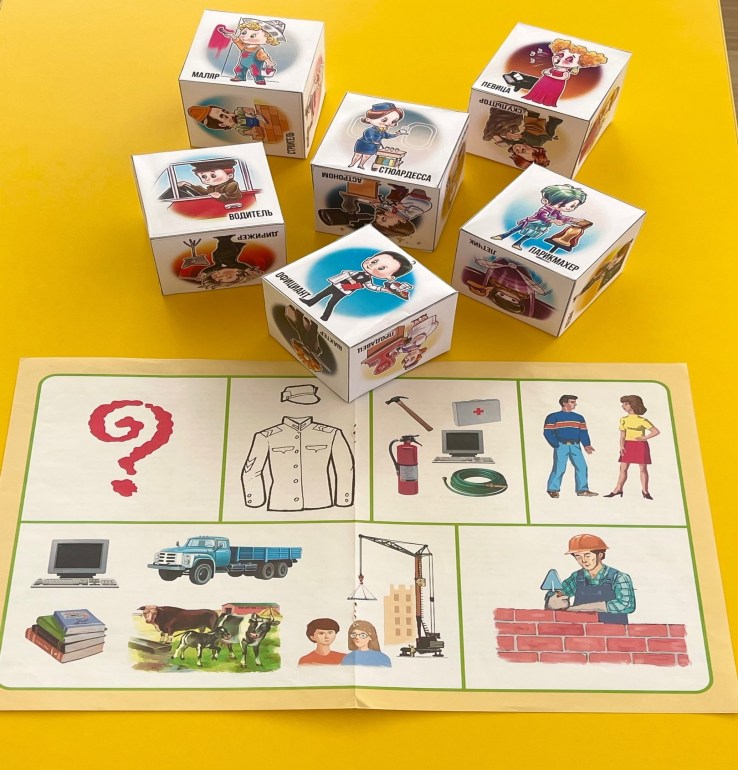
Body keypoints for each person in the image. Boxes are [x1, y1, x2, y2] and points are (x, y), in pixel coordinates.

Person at [544, 534, 635, 624]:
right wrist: (552, 601)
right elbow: (559, 592)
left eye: (587, 555)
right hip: (582, 630)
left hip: (613, 630)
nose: (583, 560)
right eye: (578, 557)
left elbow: (627, 605)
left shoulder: (619, 577)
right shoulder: (576, 577)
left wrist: (581, 608)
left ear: (600, 555)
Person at [299, 251, 414, 321]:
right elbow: (345, 272)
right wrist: (350, 279)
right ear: (369, 259)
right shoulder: (356, 272)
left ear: (390, 277)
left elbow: (372, 287)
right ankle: (310, 302)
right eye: (374, 261)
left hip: (344, 290)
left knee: (331, 302)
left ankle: (325, 316)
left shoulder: (368, 279)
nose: (372, 266)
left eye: (381, 268)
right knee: (321, 294)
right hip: (336, 285)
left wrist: (384, 289)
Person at [491, 184, 587, 251]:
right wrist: (554, 221)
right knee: (515, 230)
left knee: (529, 236)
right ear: (545, 201)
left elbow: (562, 217)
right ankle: (502, 236)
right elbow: (542, 216)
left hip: (540, 227)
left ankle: (517, 243)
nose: (569, 208)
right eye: (562, 204)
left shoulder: (557, 212)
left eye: (573, 206)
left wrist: (574, 220)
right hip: (531, 222)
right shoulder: (545, 209)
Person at [523, 39, 608, 108]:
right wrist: (546, 72)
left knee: (550, 94)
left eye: (569, 59)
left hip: (556, 84)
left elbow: (563, 77)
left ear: (578, 65)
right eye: (560, 55)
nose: (562, 59)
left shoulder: (565, 72)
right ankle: (535, 98)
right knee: (540, 90)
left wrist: (550, 75)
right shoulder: (554, 68)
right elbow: (547, 71)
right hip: (545, 81)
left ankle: (547, 102)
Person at [605, 395, 660, 500]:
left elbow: (656, 431)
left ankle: (645, 491)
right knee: (623, 468)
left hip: (640, 445)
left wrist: (645, 437)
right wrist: (621, 446)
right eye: (623, 404)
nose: (623, 406)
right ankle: (618, 489)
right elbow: (622, 435)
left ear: (633, 405)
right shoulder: (623, 419)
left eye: (626, 404)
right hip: (627, 445)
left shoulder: (642, 420)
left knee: (643, 468)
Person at [544, 395, 598, 498]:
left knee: (582, 467)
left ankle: (582, 490)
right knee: (559, 468)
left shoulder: (579, 418)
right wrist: (555, 444)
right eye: (572, 402)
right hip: (561, 445)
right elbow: (547, 432)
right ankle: (552, 489)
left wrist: (586, 445)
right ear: (564, 403)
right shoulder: (553, 417)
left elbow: (583, 433)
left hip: (575, 446)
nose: (575, 404)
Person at [218, 19, 286, 85]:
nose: (244, 37)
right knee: (239, 69)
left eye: (253, 36)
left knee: (256, 72)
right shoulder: (245, 46)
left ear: (268, 40)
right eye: (244, 33)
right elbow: (238, 42)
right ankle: (240, 77)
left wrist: (269, 62)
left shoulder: (259, 50)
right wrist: (232, 36)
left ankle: (259, 79)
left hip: (254, 65)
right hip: (242, 63)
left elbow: (264, 56)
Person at [349, 102, 409, 170]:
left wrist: (396, 134)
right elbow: (368, 136)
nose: (388, 123)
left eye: (393, 121)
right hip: (363, 144)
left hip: (373, 147)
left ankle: (361, 165)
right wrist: (374, 141)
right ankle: (352, 164)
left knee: (366, 156)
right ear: (368, 119)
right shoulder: (370, 130)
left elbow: (387, 135)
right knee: (357, 155)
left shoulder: (382, 131)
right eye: (384, 120)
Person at [187, 104, 270, 140]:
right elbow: (243, 131)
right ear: (223, 125)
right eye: (225, 117)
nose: (231, 115)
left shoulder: (237, 115)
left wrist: (246, 109)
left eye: (226, 112)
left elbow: (240, 110)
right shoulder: (238, 127)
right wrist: (250, 132)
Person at [177, 159, 243, 202]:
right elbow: (205, 192)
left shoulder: (232, 185)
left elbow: (236, 197)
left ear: (230, 176)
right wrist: (189, 185)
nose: (207, 179)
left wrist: (220, 196)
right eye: (203, 176)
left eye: (213, 175)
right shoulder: (213, 187)